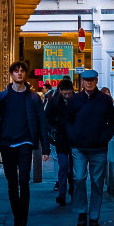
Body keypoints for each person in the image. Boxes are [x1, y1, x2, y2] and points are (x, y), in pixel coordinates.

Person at [0, 59, 43, 226]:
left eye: (22, 71)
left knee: (24, 180)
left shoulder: (33, 98)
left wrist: (46, 149)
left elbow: (42, 122)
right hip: (6, 143)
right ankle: (16, 218)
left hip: (25, 142)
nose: (19, 73)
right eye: (16, 71)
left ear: (25, 74)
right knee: (12, 182)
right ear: (11, 74)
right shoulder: (2, 97)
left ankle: (23, 220)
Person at [65, 67, 114, 226]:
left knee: (97, 182)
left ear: (96, 81)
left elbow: (113, 123)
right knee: (79, 178)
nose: (88, 83)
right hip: (79, 147)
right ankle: (82, 212)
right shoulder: (75, 100)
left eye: (92, 80)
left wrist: (104, 138)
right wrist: (73, 137)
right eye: (86, 80)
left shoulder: (104, 100)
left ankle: (94, 216)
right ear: (82, 82)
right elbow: (67, 121)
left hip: (98, 147)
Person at [42, 76, 76, 206]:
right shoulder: (54, 102)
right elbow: (47, 119)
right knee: (63, 166)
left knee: (73, 168)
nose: (67, 96)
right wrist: (52, 132)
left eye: (69, 93)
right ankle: (62, 193)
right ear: (60, 91)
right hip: (61, 138)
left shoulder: (76, 101)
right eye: (65, 93)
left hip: (74, 139)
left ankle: (72, 190)